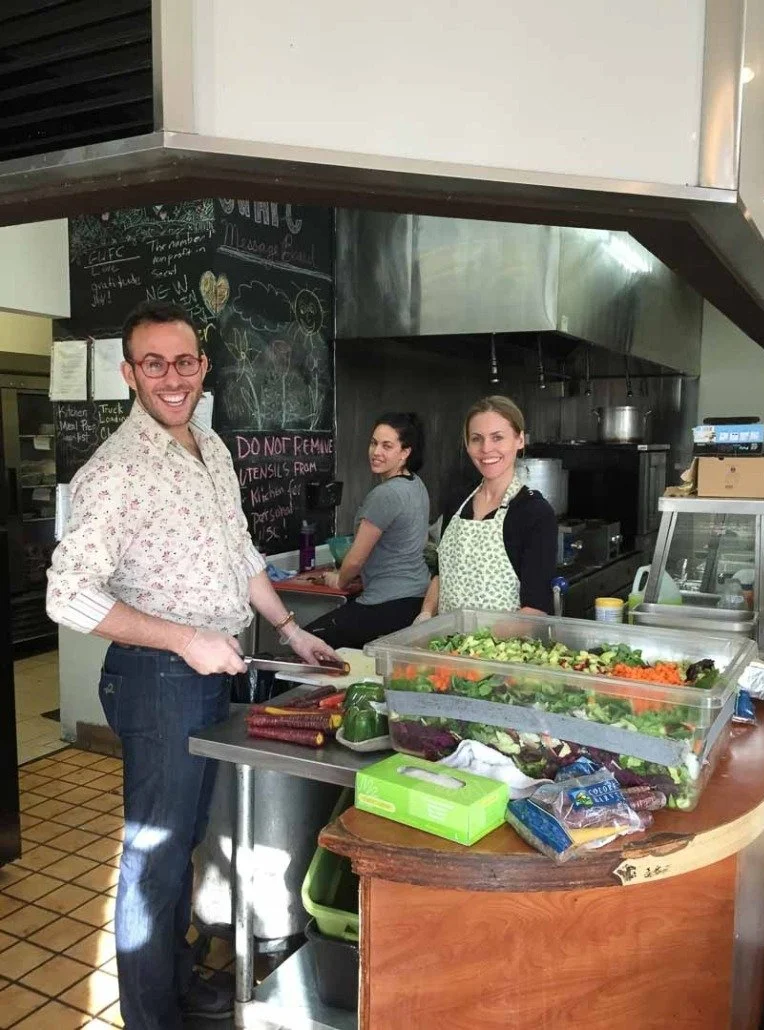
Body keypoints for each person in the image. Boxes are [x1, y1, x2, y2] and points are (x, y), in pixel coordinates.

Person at [46, 300, 339, 1030]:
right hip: (156, 680)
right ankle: (151, 1018)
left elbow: (238, 555)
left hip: (211, 672)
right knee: (152, 860)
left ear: (202, 368)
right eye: (154, 363)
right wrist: (182, 638)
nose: (170, 378)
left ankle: (175, 984)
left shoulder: (210, 447)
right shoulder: (114, 471)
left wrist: (290, 629)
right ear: (129, 372)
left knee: (180, 853)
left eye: (183, 362)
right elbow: (67, 595)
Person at [417, 395, 557, 619]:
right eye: (476, 439)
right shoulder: (457, 502)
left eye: (497, 437)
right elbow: (442, 574)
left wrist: (477, 642)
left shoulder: (534, 513)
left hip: (503, 651)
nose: (486, 448)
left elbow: (536, 610)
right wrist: (425, 614)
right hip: (446, 647)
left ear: (520, 440)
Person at [305, 412, 430, 648]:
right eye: (374, 443)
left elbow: (355, 560)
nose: (376, 452)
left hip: (386, 603)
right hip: (416, 599)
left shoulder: (385, 494)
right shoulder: (416, 484)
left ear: (405, 453)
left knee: (307, 643)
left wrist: (339, 580)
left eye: (387, 446)